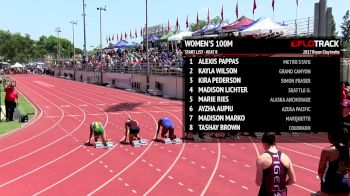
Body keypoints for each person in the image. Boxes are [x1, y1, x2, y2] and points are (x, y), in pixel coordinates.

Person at [317, 128, 350, 196]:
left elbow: (320, 171)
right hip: (345, 183)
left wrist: (323, 184)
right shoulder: (348, 150)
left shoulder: (327, 151)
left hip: (330, 183)